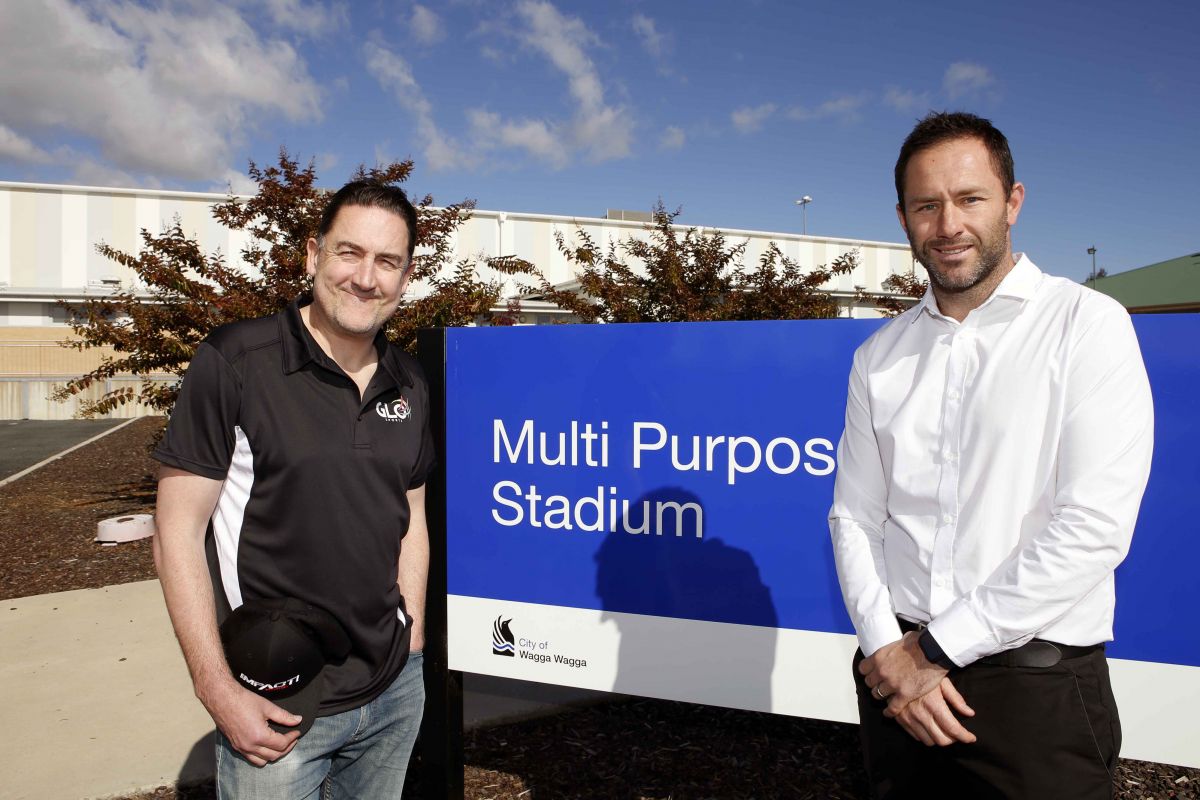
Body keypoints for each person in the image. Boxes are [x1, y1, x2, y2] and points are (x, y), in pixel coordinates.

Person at [829, 111, 1154, 799]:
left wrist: (933, 651)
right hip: (899, 692)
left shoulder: (1086, 326)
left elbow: (1093, 527)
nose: (948, 225)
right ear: (903, 217)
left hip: (1036, 693)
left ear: (1012, 202)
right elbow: (855, 520)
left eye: (969, 198)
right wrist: (890, 653)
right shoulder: (878, 357)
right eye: (926, 205)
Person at [153, 180, 435, 798]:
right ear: (312, 255)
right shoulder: (235, 361)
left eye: (387, 261)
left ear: (406, 275)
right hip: (274, 697)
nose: (366, 277)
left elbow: (410, 513)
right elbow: (177, 529)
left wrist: (411, 640)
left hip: (391, 690)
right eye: (349, 252)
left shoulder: (409, 380)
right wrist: (214, 684)